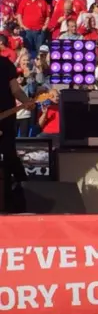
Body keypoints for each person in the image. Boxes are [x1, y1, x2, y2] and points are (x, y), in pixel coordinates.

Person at [0, 55, 35, 211]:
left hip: (5, 119)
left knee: (8, 154)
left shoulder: (5, 63)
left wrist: (26, 100)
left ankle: (17, 191)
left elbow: (15, 89)